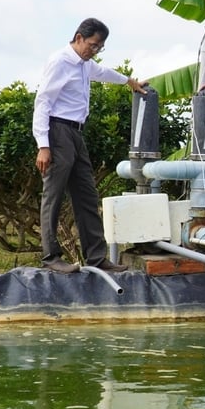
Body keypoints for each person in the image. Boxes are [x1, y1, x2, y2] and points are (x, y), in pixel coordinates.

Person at [33, 18, 146, 273]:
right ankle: (51, 257)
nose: (94, 51)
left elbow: (103, 73)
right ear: (78, 37)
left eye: (99, 48)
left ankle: (96, 258)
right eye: (92, 45)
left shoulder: (85, 64)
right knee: (53, 195)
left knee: (87, 194)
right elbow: (43, 103)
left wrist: (129, 81)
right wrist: (43, 145)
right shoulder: (60, 62)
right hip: (58, 131)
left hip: (76, 134)